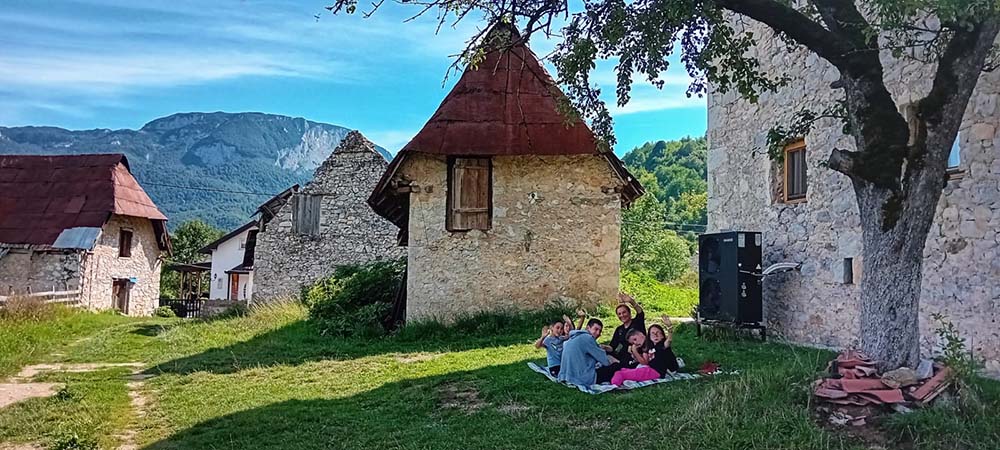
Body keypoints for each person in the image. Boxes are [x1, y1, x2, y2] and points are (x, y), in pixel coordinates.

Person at [558, 318, 619, 387]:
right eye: (596, 329)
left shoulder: (574, 337)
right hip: (581, 379)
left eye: (600, 331)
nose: (598, 333)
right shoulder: (588, 338)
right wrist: (615, 361)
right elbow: (605, 361)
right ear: (588, 328)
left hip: (565, 376)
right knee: (615, 366)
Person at [605, 292, 645, 367]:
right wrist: (604, 347)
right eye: (619, 314)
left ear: (629, 313)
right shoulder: (619, 329)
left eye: (624, 312)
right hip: (621, 356)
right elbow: (612, 346)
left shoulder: (637, 323)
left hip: (634, 355)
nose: (622, 315)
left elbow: (640, 313)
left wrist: (631, 301)